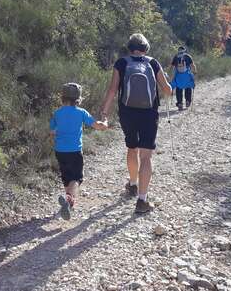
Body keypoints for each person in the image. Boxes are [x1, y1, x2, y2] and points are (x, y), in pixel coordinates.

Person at [101, 33, 172, 213]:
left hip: (127, 112)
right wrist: (169, 87)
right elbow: (167, 90)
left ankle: (132, 184)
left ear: (129, 47)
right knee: (146, 156)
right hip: (149, 113)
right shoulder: (153, 63)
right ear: (146, 48)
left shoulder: (121, 63)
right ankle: (142, 200)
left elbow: (112, 90)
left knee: (131, 147)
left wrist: (104, 112)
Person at [50, 83, 108, 220]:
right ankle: (69, 198)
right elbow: (98, 126)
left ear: (62, 97)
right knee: (76, 177)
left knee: (66, 176)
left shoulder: (57, 113)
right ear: (78, 98)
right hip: (75, 150)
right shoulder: (81, 112)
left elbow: (52, 132)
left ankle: (69, 203)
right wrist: (105, 122)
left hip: (60, 151)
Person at [171, 46, 196, 110]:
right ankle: (188, 101)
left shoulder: (176, 57)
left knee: (178, 89)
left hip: (178, 76)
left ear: (178, 50)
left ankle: (179, 103)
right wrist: (195, 72)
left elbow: (172, 67)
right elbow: (192, 65)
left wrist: (172, 77)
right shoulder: (188, 56)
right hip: (186, 75)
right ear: (184, 50)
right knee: (188, 87)